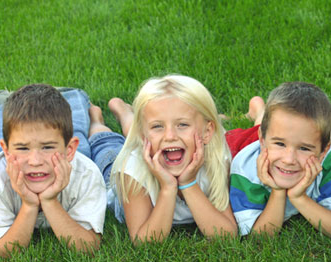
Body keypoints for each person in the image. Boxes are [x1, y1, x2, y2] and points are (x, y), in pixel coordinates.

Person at [101, 75, 237, 243]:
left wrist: (188, 184)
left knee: (147, 133)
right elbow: (143, 242)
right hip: (112, 163)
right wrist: (168, 187)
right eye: (158, 126)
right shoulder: (132, 170)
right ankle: (116, 114)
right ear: (143, 135)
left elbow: (226, 235)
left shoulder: (217, 159)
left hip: (151, 141)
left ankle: (129, 115)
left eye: (182, 125)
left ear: (207, 133)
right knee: (105, 143)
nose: (170, 136)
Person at [0, 85, 106, 257]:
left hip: (70, 159)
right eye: (23, 149)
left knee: (80, 137)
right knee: (1, 127)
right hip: (5, 151)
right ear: (7, 150)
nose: (35, 161)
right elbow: (1, 251)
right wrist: (29, 205)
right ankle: (2, 99)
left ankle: (75, 96)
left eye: (47, 147)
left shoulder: (86, 174)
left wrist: (50, 201)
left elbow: (88, 247)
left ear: (69, 150)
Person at [227, 82, 331, 236]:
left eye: (304, 148)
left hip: (274, 138)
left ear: (323, 151)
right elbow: (258, 238)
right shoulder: (245, 169)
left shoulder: (330, 162)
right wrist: (278, 191)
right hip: (242, 142)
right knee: (258, 126)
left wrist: (299, 197)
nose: (289, 160)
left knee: (284, 132)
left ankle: (264, 117)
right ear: (262, 141)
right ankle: (258, 111)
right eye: (280, 143)